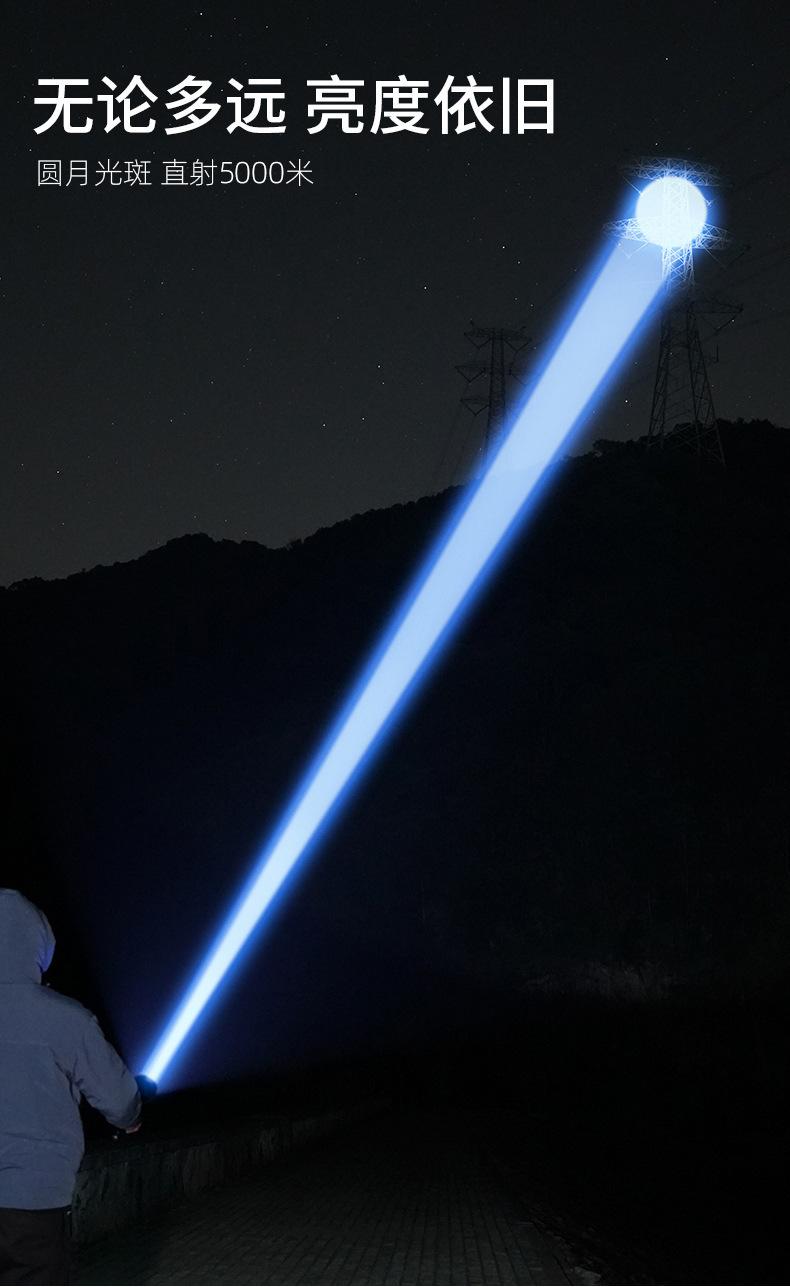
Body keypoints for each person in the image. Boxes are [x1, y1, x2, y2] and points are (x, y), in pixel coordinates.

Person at [0, 889, 142, 1285]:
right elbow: (119, 1098)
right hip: (32, 1206)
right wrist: (131, 1118)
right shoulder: (64, 1018)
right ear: (37, 944)